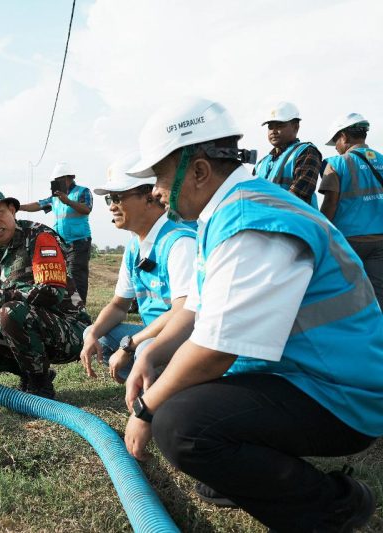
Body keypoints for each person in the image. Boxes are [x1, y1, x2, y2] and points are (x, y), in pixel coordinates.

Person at [121, 98, 382, 532]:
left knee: (181, 425)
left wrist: (146, 409)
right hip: (307, 375)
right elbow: (199, 310)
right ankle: (246, 475)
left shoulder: (251, 222)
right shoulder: (225, 212)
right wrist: (150, 353)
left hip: (342, 395)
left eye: (160, 178)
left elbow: (214, 350)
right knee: (173, 377)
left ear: (200, 171)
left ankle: (335, 507)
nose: (155, 192)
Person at [0, 187, 91, 399]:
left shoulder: (41, 236)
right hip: (24, 330)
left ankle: (40, 386)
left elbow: (52, 291)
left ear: (12, 210)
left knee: (11, 311)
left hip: (70, 331)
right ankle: (32, 373)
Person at [79, 160, 195, 382]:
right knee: (94, 334)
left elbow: (183, 313)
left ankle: (162, 393)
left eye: (118, 198)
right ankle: (147, 381)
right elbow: (119, 305)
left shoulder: (180, 242)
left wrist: (130, 345)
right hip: (153, 331)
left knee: (146, 349)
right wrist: (94, 333)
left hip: (184, 337)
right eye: (109, 199)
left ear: (150, 196)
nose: (112, 206)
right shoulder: (135, 246)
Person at [319, 113, 383, 310]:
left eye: (336, 141)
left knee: (346, 297)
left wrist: (322, 232)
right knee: (377, 297)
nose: (336, 148)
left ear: (344, 136)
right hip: (380, 241)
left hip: (348, 241)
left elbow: (330, 202)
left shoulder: (337, 164)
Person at [20, 162, 93, 304]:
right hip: (61, 243)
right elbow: (38, 205)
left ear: (69, 177)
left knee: (77, 275)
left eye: (59, 179)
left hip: (79, 243)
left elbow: (86, 209)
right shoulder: (55, 198)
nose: (57, 183)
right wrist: (19, 207)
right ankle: (70, 305)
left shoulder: (82, 191)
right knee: (64, 275)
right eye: (55, 181)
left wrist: (68, 201)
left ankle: (80, 308)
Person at [253, 101, 322, 208]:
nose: (273, 131)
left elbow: (298, 196)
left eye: (280, 125)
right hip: (266, 222)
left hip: (296, 223)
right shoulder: (261, 164)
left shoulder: (307, 152)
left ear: (296, 127)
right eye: (270, 127)